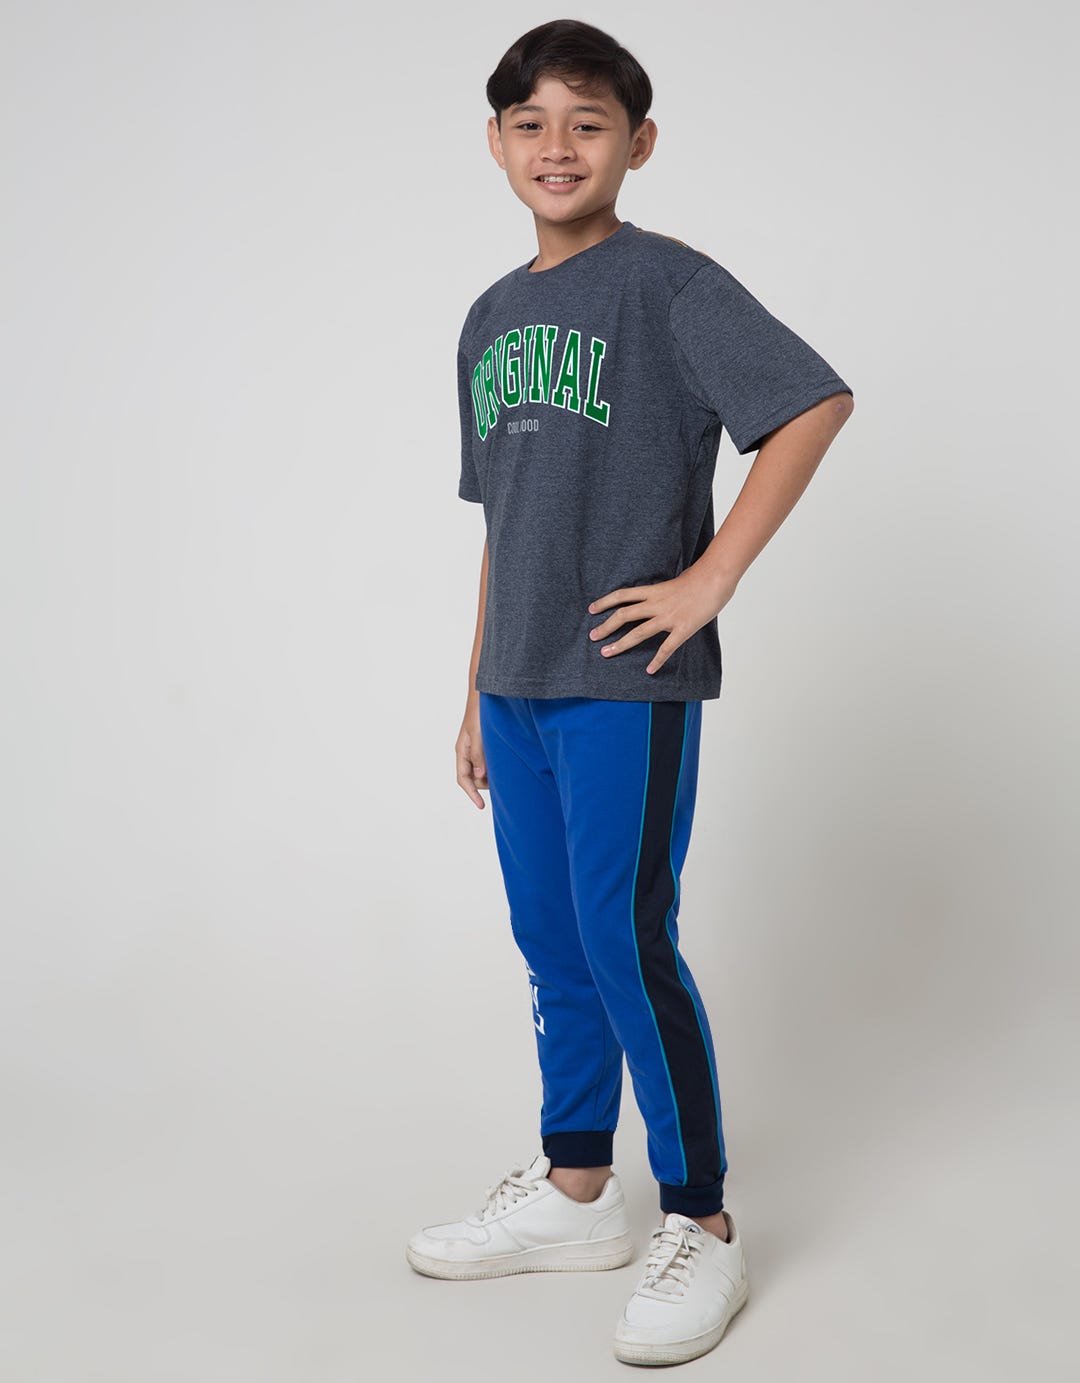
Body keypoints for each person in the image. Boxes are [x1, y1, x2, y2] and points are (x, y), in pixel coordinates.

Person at [406, 17, 854, 1368]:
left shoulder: (669, 286)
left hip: (624, 682)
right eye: (530, 124)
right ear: (495, 144)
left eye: (587, 123)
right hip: (519, 686)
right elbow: (506, 522)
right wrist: (475, 686)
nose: (558, 146)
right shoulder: (489, 318)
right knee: (552, 942)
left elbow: (811, 405)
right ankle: (576, 1187)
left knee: (623, 936)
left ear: (638, 144)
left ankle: (702, 1221)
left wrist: (709, 580)